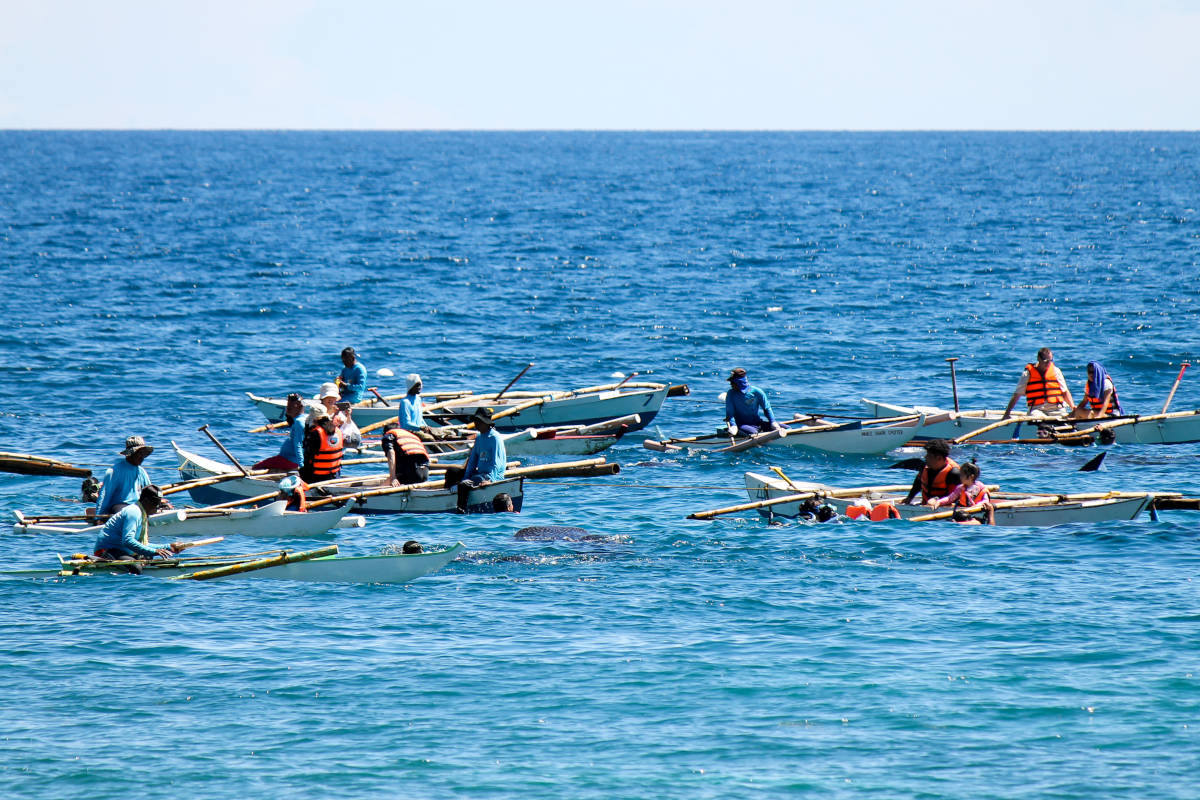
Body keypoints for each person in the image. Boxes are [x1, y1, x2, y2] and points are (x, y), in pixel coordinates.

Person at [93, 485, 183, 561]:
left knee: (148, 556)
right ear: (147, 501)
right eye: (156, 504)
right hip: (106, 550)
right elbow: (128, 541)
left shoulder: (142, 513)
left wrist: (169, 547)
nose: (157, 508)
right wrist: (155, 551)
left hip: (122, 550)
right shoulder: (134, 512)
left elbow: (143, 545)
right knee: (136, 567)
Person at [454, 408, 507, 513]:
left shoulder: (494, 438)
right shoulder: (479, 438)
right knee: (453, 473)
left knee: (464, 485)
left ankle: (461, 510)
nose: (476, 424)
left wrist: (490, 480)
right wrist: (465, 477)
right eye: (475, 421)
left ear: (486, 423)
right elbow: (472, 462)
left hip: (492, 476)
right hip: (480, 475)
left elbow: (497, 463)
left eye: (478, 422)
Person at [94, 436, 158, 516]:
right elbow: (104, 497)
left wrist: (159, 502)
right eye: (139, 453)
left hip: (137, 506)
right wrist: (98, 517)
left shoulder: (142, 472)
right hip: (120, 507)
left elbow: (150, 492)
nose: (142, 457)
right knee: (130, 512)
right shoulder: (113, 472)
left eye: (143, 454)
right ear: (131, 453)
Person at [1002, 348, 1075, 418]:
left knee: (1064, 419)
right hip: (1037, 409)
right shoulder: (1028, 373)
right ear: (1038, 359)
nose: (1048, 363)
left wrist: (1073, 408)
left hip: (1057, 409)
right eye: (1045, 361)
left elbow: (1065, 392)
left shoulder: (1056, 371)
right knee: (1038, 419)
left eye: (1050, 360)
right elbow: (1017, 394)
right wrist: (1007, 413)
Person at [254, 393, 306, 472]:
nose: (287, 408)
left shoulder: (299, 422)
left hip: (289, 460)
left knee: (256, 467)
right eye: (288, 404)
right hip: (289, 459)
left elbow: (298, 445)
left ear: (298, 406)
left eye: (290, 405)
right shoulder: (302, 419)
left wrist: (301, 465)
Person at [901, 439, 961, 505]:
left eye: (929, 455)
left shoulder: (954, 473)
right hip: (926, 505)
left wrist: (937, 500)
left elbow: (955, 496)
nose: (925, 457)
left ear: (939, 458)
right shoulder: (924, 467)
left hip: (945, 506)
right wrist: (909, 498)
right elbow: (918, 483)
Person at [724, 367, 780, 436]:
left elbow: (766, 408)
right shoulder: (731, 394)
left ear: (739, 383)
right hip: (741, 425)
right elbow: (730, 413)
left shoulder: (757, 391)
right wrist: (733, 425)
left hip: (757, 423)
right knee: (754, 433)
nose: (731, 385)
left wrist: (773, 422)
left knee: (785, 428)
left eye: (732, 382)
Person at [381, 421, 430, 486]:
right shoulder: (411, 435)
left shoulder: (388, 435)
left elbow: (391, 453)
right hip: (425, 475)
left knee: (384, 484)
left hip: (412, 474)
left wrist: (392, 478)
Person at [300, 411, 343, 484]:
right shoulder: (338, 430)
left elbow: (307, 455)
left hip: (317, 476)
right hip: (335, 473)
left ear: (314, 420)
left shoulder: (315, 433)